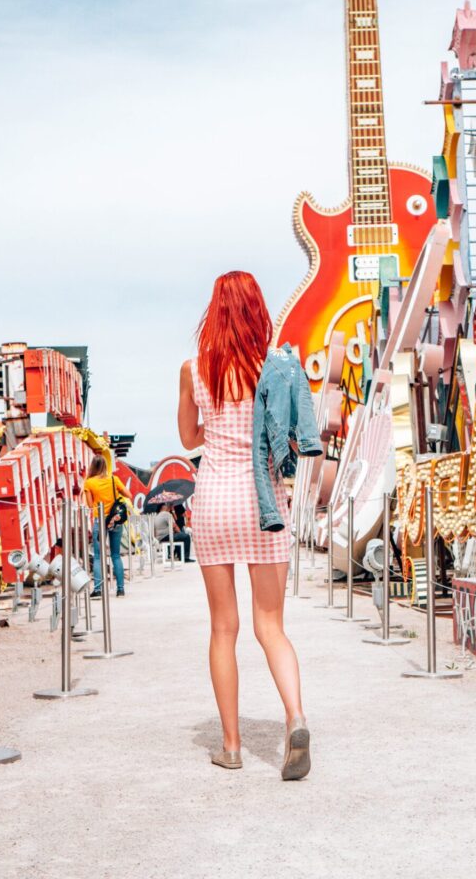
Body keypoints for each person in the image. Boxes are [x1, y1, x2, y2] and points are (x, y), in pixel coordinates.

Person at [177, 270, 310, 780]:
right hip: (263, 503)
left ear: (214, 312)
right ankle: (295, 717)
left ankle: (231, 746)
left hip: (214, 502)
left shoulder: (193, 370)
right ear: (258, 312)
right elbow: (294, 439)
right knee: (271, 627)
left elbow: (189, 436)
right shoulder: (275, 369)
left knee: (223, 629)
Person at [82, 455, 131, 598]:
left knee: (98, 556)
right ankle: (120, 589)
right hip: (115, 519)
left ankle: (98, 589)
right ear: (105, 466)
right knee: (116, 555)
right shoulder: (113, 479)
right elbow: (129, 494)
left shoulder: (89, 483)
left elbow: (90, 505)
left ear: (93, 466)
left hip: (100, 520)